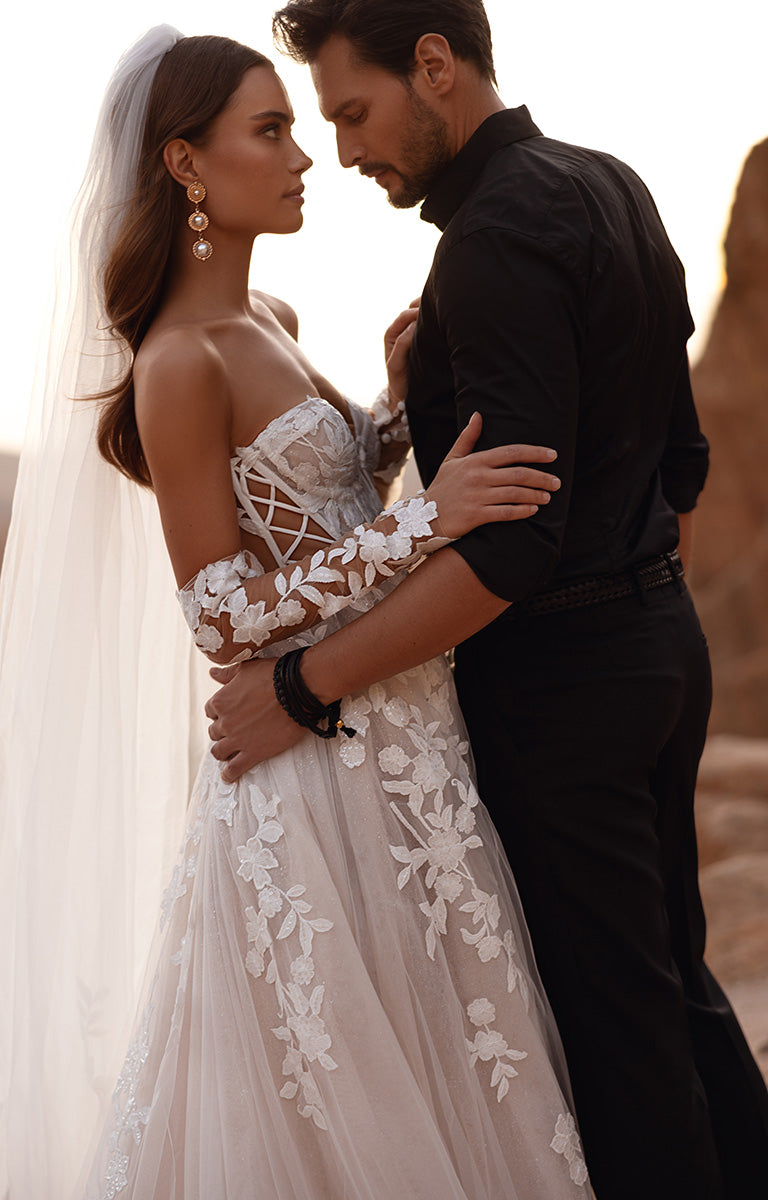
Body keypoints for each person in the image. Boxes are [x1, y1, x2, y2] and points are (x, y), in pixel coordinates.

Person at [0, 24, 603, 1200]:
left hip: (402, 742)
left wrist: (393, 411)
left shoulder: (267, 317)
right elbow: (222, 614)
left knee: (454, 1057)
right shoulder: (179, 363)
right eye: (271, 131)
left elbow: (319, 506)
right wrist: (425, 523)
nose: (304, 156)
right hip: (309, 775)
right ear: (186, 164)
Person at [199, 2, 768, 1198]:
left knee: (617, 1035)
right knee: (675, 985)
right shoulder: (613, 184)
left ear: (436, 66)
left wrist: (300, 686)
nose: (347, 150)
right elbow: (682, 465)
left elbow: (510, 552)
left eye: (356, 113)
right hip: (661, 649)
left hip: (565, 687)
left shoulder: (493, 240)